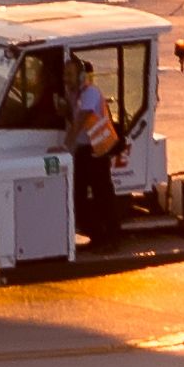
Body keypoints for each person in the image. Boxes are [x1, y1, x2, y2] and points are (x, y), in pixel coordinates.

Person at [63, 53, 123, 241]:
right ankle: (96, 236)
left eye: (70, 75)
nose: (66, 79)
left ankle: (112, 238)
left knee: (102, 196)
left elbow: (80, 120)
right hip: (83, 150)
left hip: (97, 151)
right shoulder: (73, 94)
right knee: (79, 196)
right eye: (64, 74)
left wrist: (64, 148)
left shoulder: (90, 93)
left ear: (81, 76)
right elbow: (72, 117)